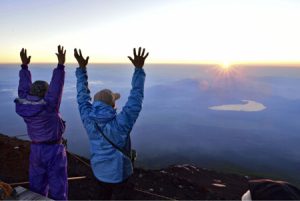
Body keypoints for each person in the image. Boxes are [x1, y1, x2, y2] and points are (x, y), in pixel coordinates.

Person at [75, 47, 149, 199]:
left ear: (95, 104)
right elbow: (136, 98)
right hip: (120, 174)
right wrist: (139, 70)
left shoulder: (88, 119)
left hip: (99, 173)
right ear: (113, 105)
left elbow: (82, 97)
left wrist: (82, 69)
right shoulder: (121, 124)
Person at [14, 46, 68, 200]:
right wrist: (60, 66)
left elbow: (23, 90)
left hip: (36, 149)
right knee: (58, 185)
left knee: (37, 184)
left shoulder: (24, 107)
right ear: (46, 93)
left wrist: (24, 66)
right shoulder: (49, 107)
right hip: (54, 150)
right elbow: (56, 89)